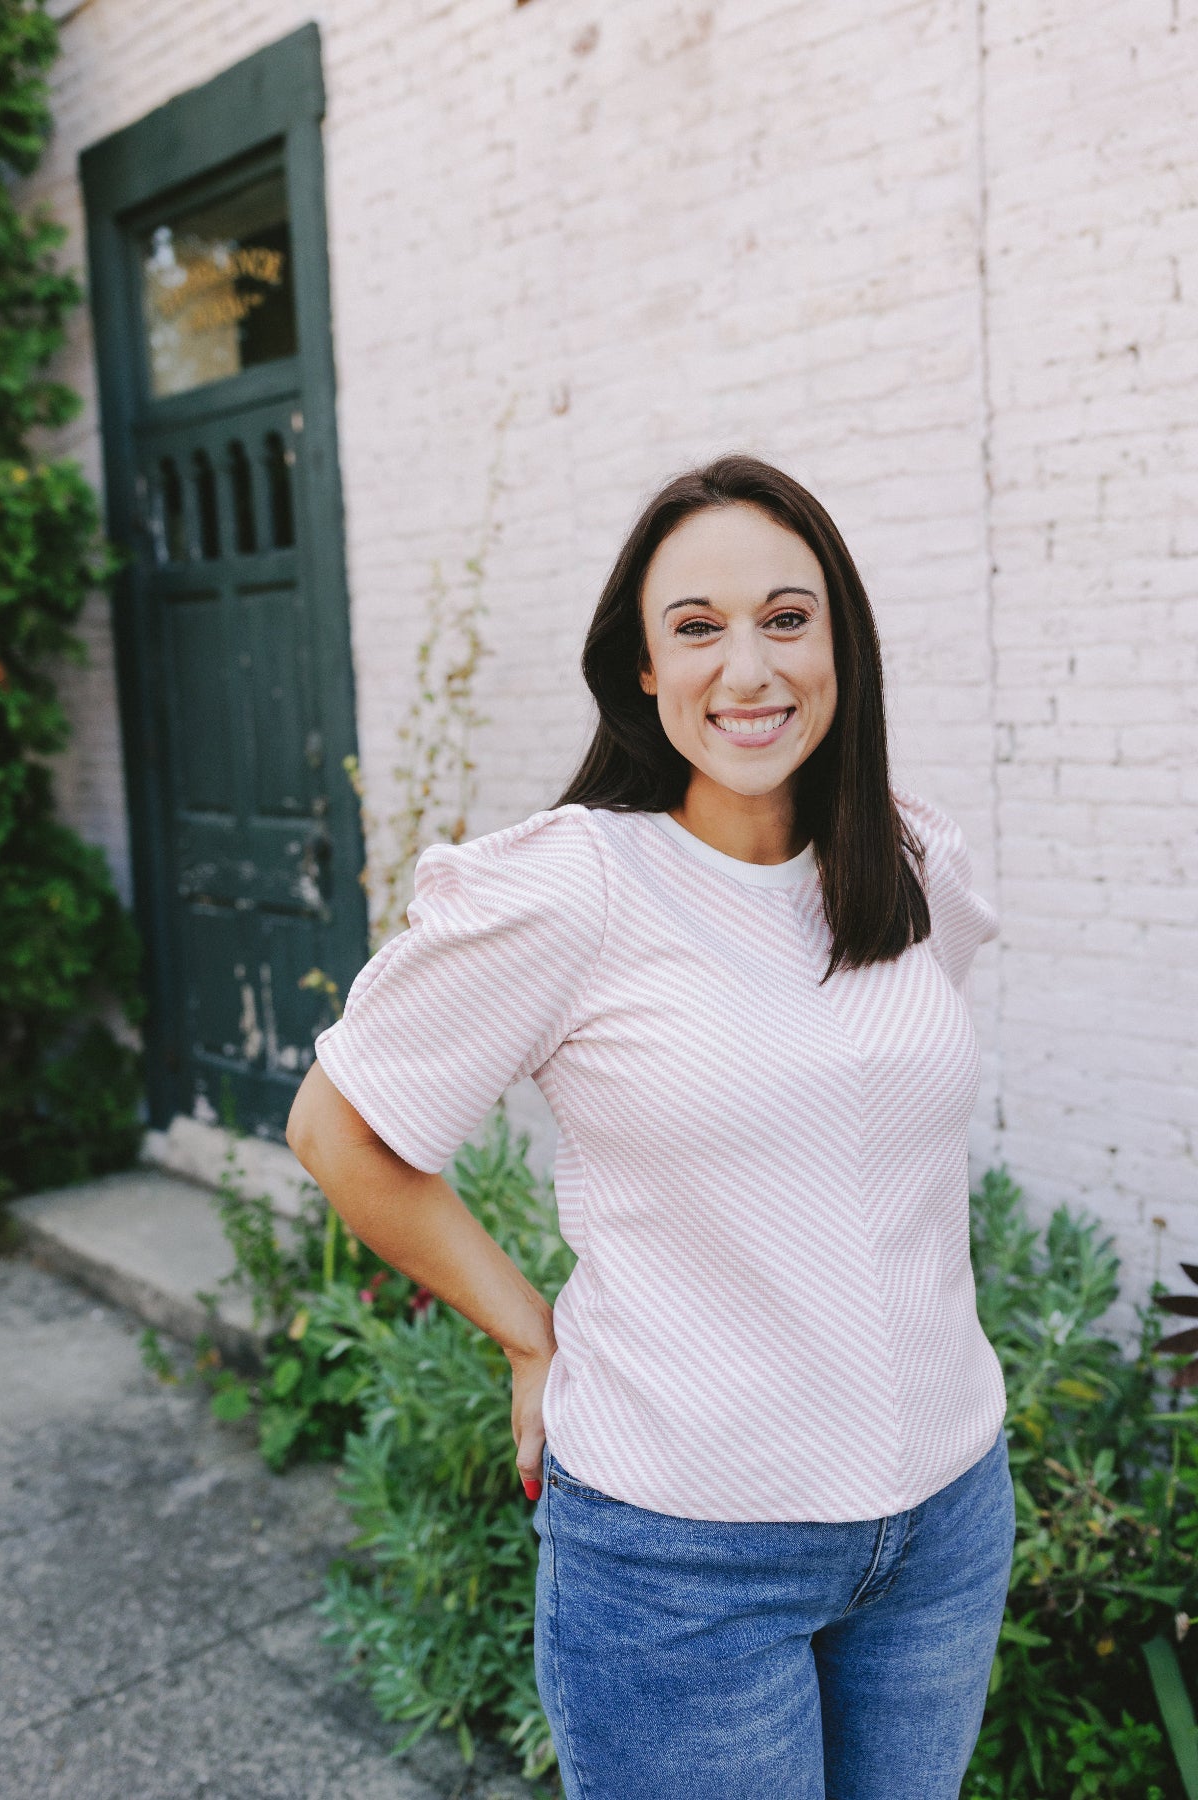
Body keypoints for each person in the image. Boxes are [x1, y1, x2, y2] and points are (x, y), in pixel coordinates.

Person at [285, 454, 1014, 1800]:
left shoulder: (911, 866)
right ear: (640, 667)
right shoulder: (579, 886)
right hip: (687, 1559)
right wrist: (530, 1334)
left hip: (947, 1522)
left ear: (839, 640)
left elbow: (868, 1114)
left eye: (787, 619)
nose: (750, 667)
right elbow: (346, 1133)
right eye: (698, 628)